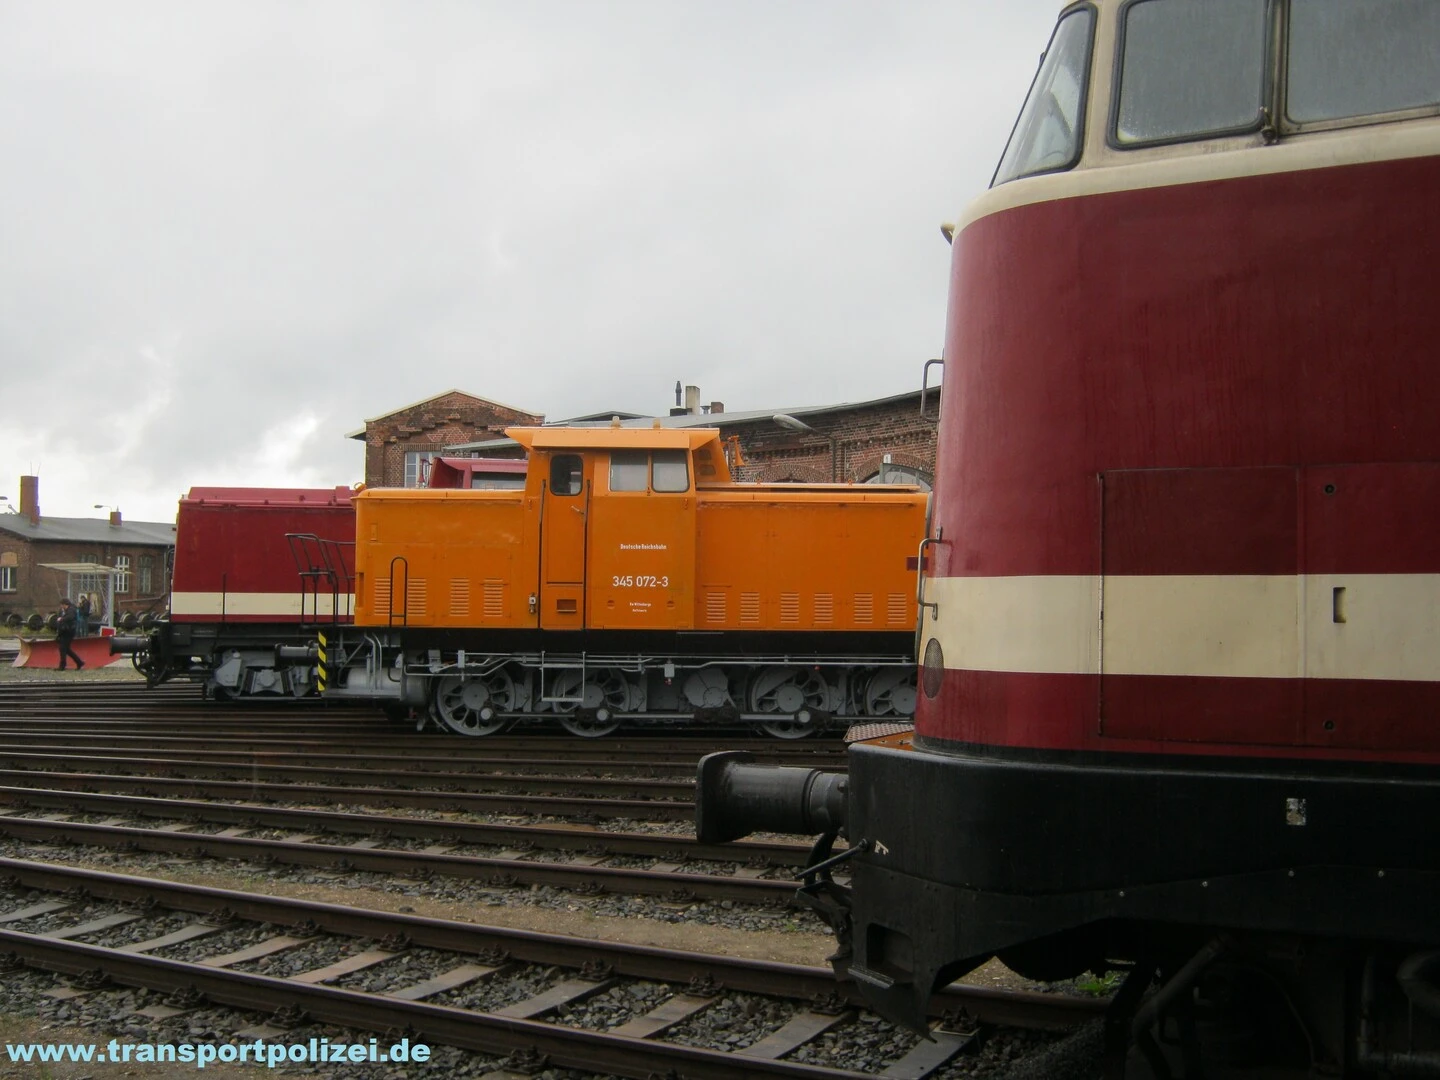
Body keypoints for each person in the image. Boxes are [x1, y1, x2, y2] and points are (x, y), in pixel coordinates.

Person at [55, 599, 85, 671]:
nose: (61, 606)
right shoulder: (64, 611)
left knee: (62, 648)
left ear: (65, 604)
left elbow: (70, 617)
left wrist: (61, 619)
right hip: (63, 631)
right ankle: (79, 662)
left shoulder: (71, 610)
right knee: (67, 649)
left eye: (62, 605)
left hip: (68, 632)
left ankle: (62, 666)